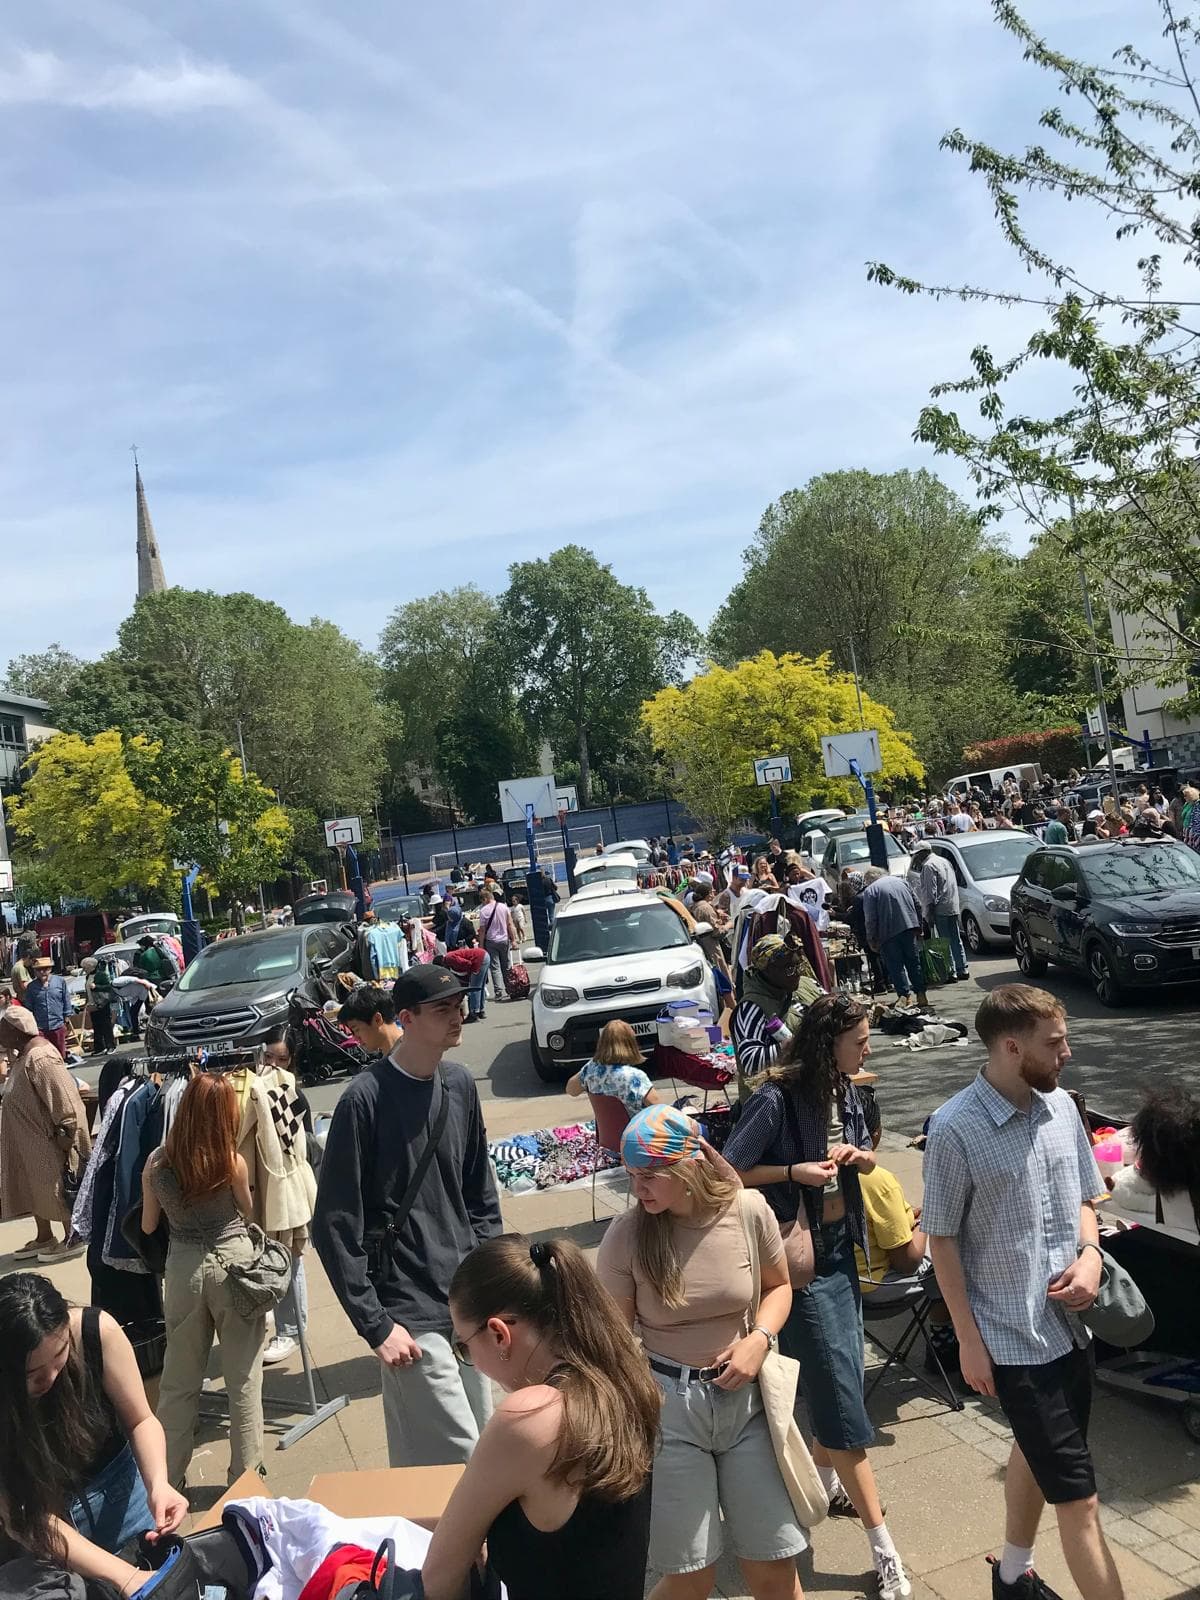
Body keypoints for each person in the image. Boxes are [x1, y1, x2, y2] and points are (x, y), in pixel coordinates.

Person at [922, 985, 1120, 1600]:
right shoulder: (955, 1129)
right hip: (1011, 1344)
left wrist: (1090, 1257)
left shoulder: (1063, 1109)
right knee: (1080, 1500)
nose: (1068, 1052)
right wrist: (967, 1342)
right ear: (1012, 1047)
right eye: (1054, 1042)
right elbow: (942, 1241)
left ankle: (1010, 1575)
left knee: (1035, 1454)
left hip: (1072, 1329)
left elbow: (1087, 1201)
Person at [724, 996, 912, 1599]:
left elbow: (870, 1151)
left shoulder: (847, 1089)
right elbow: (725, 1171)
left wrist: (860, 1156)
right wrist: (793, 1172)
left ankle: (826, 1486)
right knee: (840, 1406)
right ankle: (885, 1549)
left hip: (839, 1252)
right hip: (796, 1269)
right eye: (859, 1040)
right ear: (827, 1040)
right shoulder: (776, 1098)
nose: (868, 1050)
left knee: (840, 1385)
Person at [596, 1105, 807, 1600]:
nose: (637, 1189)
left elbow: (780, 1288)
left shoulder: (748, 1210)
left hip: (749, 1409)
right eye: (631, 1176)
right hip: (671, 1411)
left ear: (687, 1166)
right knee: (691, 1577)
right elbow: (610, 1337)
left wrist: (759, 1340)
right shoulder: (627, 1236)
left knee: (774, 1568)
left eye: (649, 1175)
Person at [312, 964, 502, 1467]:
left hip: (469, 1302)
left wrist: (493, 1280)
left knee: (489, 1448)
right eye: (442, 1009)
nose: (457, 1016)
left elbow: (480, 1194)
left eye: (459, 1005)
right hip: (406, 1312)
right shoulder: (364, 1099)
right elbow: (333, 1222)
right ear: (406, 1018)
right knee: (457, 1462)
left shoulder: (459, 1085)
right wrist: (374, 1324)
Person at [418, 1235, 658, 1600]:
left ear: (499, 1333)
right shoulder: (623, 1379)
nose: (471, 1362)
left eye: (464, 1346)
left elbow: (440, 1572)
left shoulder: (531, 1417)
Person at [0, 1273, 188, 1597]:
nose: (51, 1376)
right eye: (33, 1374)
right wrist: (124, 1577)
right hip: (45, 1535)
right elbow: (21, 1515)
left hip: (123, 1501)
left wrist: (158, 1483)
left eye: (59, 1355)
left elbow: (141, 1419)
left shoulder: (96, 1332)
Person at [141, 1072, 267, 1487]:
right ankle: (246, 1480)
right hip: (233, 1265)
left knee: (178, 1384)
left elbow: (147, 1226)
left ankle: (168, 1479)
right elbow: (246, 1210)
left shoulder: (158, 1163)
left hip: (184, 1270)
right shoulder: (231, 1160)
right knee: (244, 1380)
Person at [0, 1005, 89, 1263]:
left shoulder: (40, 1058)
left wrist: (66, 1140)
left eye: (2, 1029)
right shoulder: (23, 1055)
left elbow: (67, 1105)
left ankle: (73, 1236)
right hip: (28, 1144)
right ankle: (44, 1236)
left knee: (56, 1189)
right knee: (32, 1188)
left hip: (48, 1142)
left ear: (16, 1032)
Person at [259, 1026, 319, 1365]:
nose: (275, 1065)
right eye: (269, 1057)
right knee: (270, 1255)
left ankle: (292, 1329)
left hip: (289, 1186)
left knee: (289, 1255)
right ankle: (275, 1314)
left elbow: (299, 1146)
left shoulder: (291, 1092)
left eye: (282, 1059)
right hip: (267, 1186)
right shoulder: (258, 1088)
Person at [730, 935, 806, 1094]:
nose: (797, 973)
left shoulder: (803, 987)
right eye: (789, 968)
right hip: (771, 1105)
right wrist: (795, 1045)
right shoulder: (752, 1008)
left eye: (799, 966)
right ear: (768, 969)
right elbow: (751, 1062)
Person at [565, 1019, 673, 1114]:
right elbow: (660, 1111)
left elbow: (571, 1090)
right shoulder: (635, 1077)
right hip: (635, 1134)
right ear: (630, 1044)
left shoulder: (591, 1068)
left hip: (607, 1135)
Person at [861, 867, 927, 1008]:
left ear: (869, 880)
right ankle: (921, 994)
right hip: (909, 927)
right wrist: (919, 925)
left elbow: (870, 918)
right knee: (914, 963)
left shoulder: (871, 890)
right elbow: (918, 904)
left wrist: (871, 938)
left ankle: (905, 997)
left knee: (895, 966)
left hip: (888, 932)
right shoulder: (902, 882)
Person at [909, 840, 969, 982]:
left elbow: (931, 892)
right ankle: (962, 968)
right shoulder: (944, 861)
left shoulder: (928, 866)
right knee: (955, 938)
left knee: (944, 940)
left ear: (923, 853)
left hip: (940, 908)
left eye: (917, 854)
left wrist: (928, 913)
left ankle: (951, 971)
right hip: (952, 904)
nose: (916, 858)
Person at [437, 922, 491, 1022]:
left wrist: (471, 973)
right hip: (483, 956)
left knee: (474, 987)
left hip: (478, 959)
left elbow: (466, 963)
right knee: (481, 986)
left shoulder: (449, 958)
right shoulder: (449, 957)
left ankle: (474, 1013)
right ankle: (481, 1011)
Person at [24, 955, 74, 1058]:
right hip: (40, 1027)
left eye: (45, 969)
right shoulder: (31, 987)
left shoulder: (60, 981)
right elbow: (28, 1007)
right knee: (44, 1054)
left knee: (60, 1054)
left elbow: (66, 999)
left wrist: (67, 1016)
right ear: (35, 971)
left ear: (50, 969)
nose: (42, 972)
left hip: (58, 1024)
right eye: (39, 970)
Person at [339, 982, 405, 1056]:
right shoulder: (412, 1044)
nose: (355, 1038)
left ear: (377, 1020)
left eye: (356, 1030)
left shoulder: (407, 1056)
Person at [478, 886, 518, 1002]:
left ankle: (498, 992)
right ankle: (510, 989)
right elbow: (510, 925)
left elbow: (482, 930)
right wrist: (514, 940)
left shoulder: (483, 911)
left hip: (491, 941)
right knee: (506, 966)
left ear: (485, 898)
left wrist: (481, 945)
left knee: (495, 968)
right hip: (504, 940)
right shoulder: (504, 907)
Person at [82, 958, 118, 1055]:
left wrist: (96, 987)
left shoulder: (101, 974)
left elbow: (109, 987)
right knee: (96, 1026)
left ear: (91, 966)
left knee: (106, 1025)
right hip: (93, 1004)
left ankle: (110, 1046)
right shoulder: (88, 976)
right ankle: (99, 1048)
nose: (84, 969)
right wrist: (87, 1002)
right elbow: (87, 991)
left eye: (85, 967)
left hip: (102, 1003)